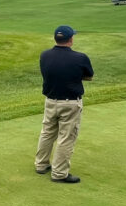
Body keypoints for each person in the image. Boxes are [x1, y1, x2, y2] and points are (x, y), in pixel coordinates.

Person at [35, 25, 94, 184]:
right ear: (70, 39)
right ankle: (59, 173)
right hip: (70, 103)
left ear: (56, 38)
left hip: (50, 101)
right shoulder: (80, 57)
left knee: (47, 132)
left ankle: (41, 164)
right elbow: (89, 77)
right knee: (66, 138)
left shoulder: (45, 55)